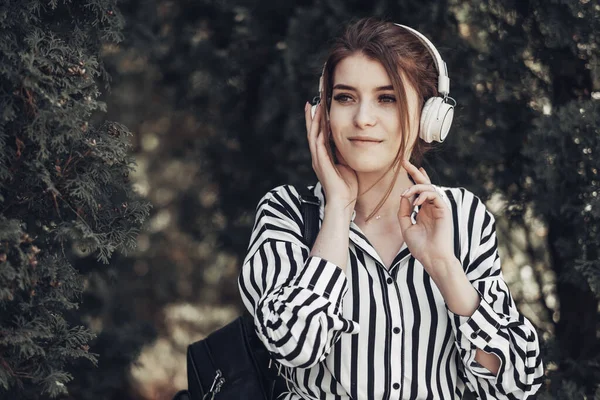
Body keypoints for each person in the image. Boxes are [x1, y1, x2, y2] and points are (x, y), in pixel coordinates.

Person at [238, 17, 544, 400]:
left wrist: (445, 267)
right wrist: (338, 209)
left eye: (388, 98)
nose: (363, 118)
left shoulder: (463, 215)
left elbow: (516, 385)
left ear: (432, 116)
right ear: (323, 112)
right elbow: (294, 346)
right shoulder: (285, 211)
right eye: (345, 97)